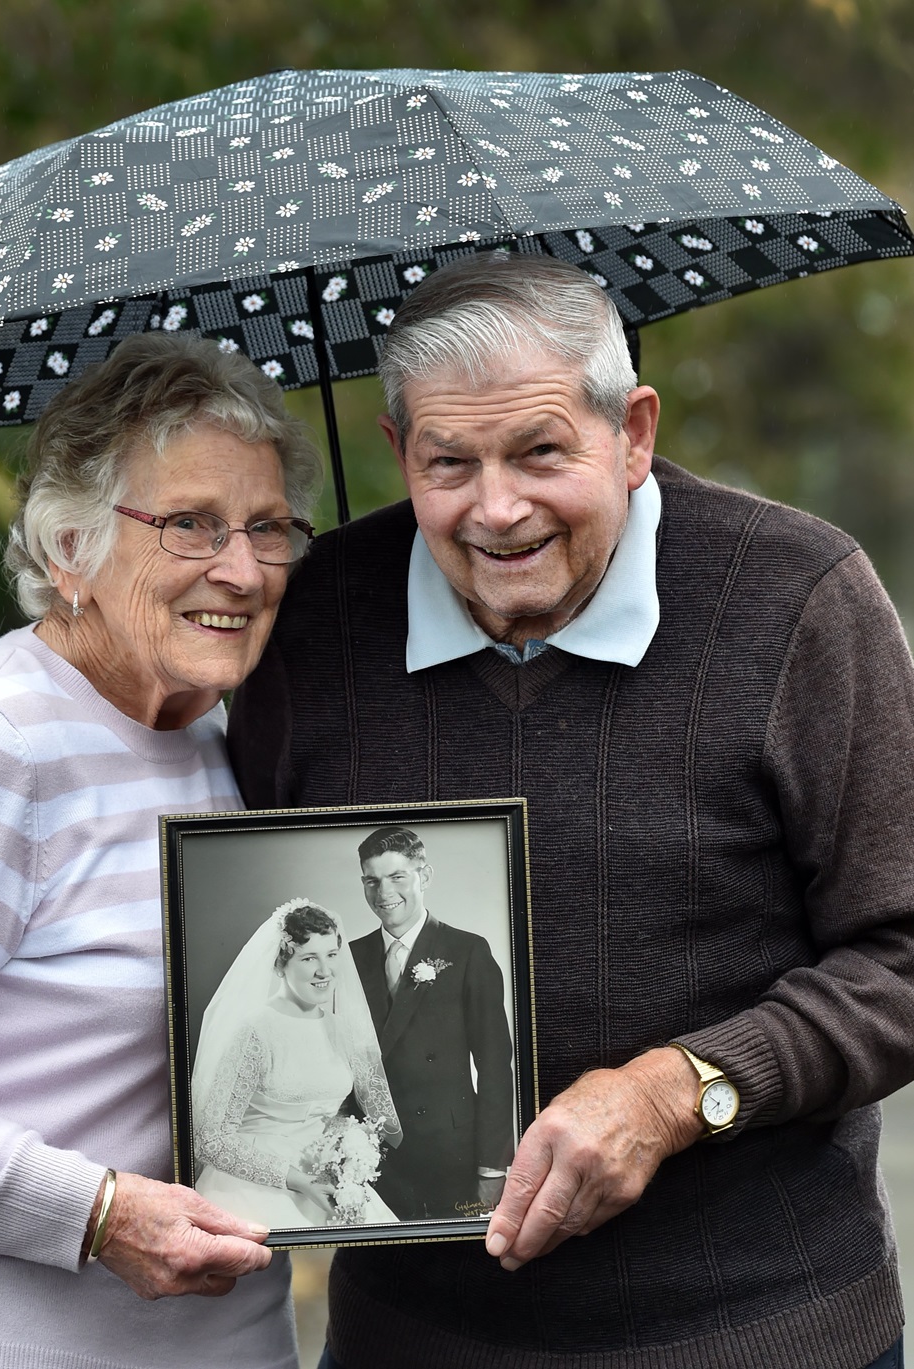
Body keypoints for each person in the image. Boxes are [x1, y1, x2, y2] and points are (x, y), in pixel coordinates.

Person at [227, 250, 914, 1369]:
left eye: (539, 452)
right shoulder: (309, 630)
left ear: (632, 431)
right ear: (397, 452)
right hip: (415, 1339)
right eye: (449, 463)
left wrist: (675, 1091)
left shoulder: (797, 598)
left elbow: (898, 954)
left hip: (759, 1331)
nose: (495, 509)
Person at [0, 331, 323, 1369]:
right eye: (190, 523)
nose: (240, 567)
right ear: (69, 552)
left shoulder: (215, 737)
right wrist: (94, 1213)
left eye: (268, 527)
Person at [192, 900, 401, 1229]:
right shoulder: (255, 1031)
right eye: (309, 958)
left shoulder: (341, 1028)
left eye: (332, 955)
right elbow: (212, 1140)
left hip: (327, 1177)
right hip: (253, 1187)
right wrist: (299, 1181)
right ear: (280, 964)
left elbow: (339, 1113)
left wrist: (347, 1150)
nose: (325, 971)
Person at [349, 826, 513, 1220]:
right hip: (374, 1154)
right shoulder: (349, 957)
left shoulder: (468, 950)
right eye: (372, 880)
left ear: (425, 876)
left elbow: (494, 1066)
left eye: (397, 877)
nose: (384, 892)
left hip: (452, 1151)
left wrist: (492, 1167)